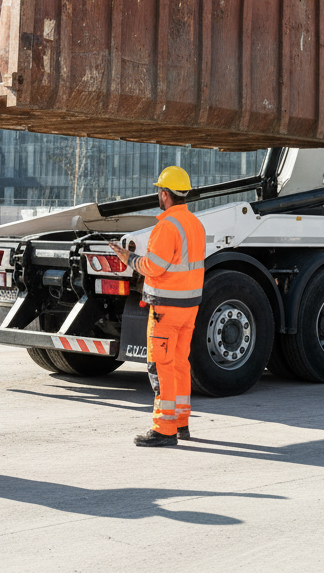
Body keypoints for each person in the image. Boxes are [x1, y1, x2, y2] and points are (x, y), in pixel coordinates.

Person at [109, 165, 205, 447]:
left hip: (166, 308)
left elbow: (154, 267)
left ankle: (164, 429)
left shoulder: (166, 226)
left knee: (160, 365)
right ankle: (181, 422)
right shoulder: (194, 224)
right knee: (178, 363)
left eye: (159, 191)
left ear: (165, 194)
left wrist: (129, 258)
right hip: (189, 307)